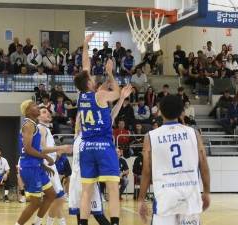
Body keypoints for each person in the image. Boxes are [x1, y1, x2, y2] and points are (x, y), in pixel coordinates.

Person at [138, 95, 211, 225]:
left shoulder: (150, 137)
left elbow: (146, 171)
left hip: (165, 197)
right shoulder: (194, 133)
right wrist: (206, 192)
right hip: (189, 197)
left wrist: (141, 199)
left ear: (160, 111)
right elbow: (203, 163)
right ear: (181, 111)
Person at [74, 33, 121, 225]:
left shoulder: (80, 95)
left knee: (86, 191)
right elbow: (116, 94)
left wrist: (84, 45)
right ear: (89, 83)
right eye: (92, 77)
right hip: (102, 144)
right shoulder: (100, 95)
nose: (94, 77)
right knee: (113, 187)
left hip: (86, 146)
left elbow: (85, 65)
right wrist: (110, 73)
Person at [15, 100, 56, 225]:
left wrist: (42, 164)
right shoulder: (28, 125)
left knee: (51, 195)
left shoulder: (33, 124)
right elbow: (27, 149)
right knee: (35, 202)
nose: (37, 107)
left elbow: (33, 148)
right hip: (29, 167)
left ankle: (37, 222)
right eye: (34, 105)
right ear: (28, 110)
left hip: (36, 166)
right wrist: (46, 157)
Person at [37, 107, 72, 225]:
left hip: (50, 165)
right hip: (46, 166)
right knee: (60, 197)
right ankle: (48, 222)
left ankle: (58, 222)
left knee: (56, 198)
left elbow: (47, 151)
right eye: (43, 112)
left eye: (48, 112)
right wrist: (61, 147)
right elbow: (41, 149)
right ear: (38, 117)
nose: (47, 113)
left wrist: (57, 154)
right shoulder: (41, 128)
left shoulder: (45, 129)